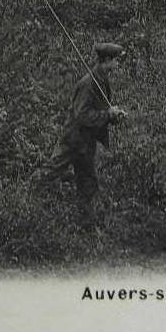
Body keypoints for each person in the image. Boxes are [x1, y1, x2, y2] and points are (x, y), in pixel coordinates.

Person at [45, 42, 128, 219]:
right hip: (74, 140)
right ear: (107, 60)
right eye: (117, 60)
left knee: (88, 185)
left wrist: (113, 115)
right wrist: (107, 114)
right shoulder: (88, 83)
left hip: (86, 142)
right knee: (48, 175)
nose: (119, 63)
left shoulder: (101, 79)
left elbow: (96, 110)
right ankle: (26, 208)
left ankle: (86, 226)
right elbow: (82, 115)